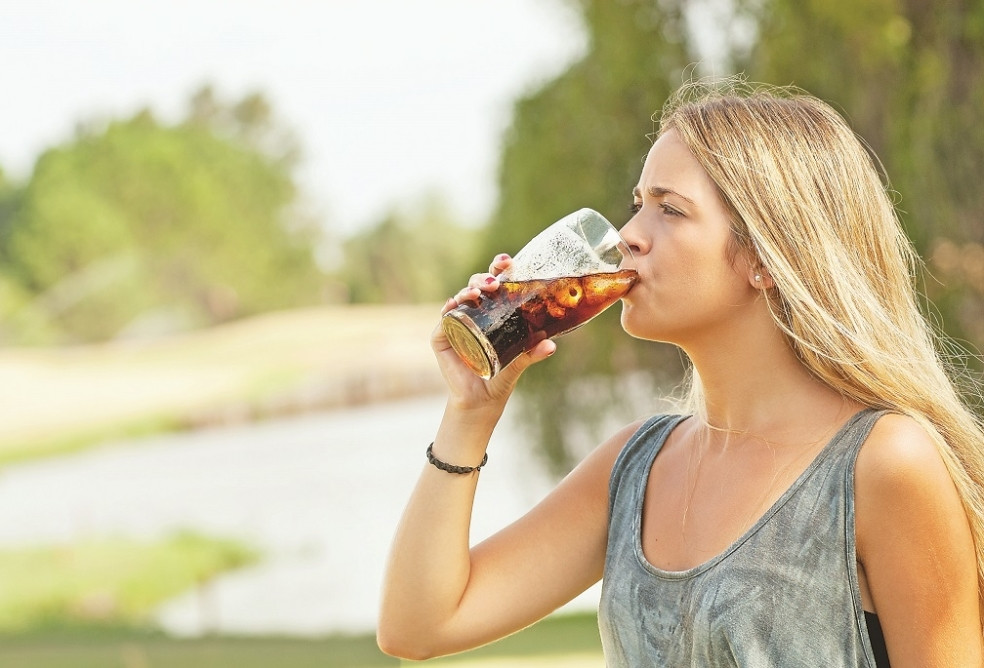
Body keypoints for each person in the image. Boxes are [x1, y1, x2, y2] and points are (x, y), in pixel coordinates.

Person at [377, 77, 984, 666]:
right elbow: (419, 626)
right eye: (638, 205)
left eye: (670, 210)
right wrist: (471, 412)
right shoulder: (632, 468)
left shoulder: (884, 464)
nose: (627, 237)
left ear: (765, 256)